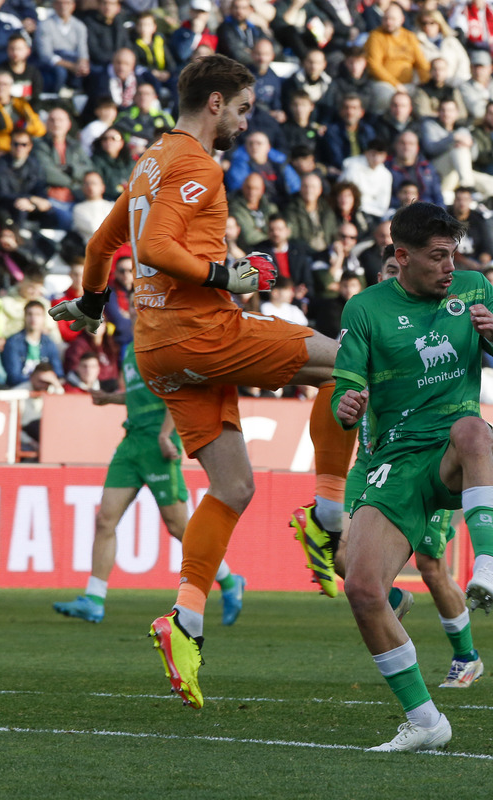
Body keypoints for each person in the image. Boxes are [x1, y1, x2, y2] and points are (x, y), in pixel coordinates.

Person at [53, 55, 358, 710]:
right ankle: (329, 516)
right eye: (244, 109)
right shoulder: (195, 163)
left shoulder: (149, 162)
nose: (248, 122)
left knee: (232, 486)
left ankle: (184, 619)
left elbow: (104, 243)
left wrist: (89, 304)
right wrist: (230, 276)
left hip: (158, 349)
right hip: (203, 331)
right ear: (215, 103)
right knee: (354, 363)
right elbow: (159, 247)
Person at [331, 202, 493, 751]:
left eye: (454, 254)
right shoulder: (365, 309)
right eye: (438, 256)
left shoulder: (473, 289)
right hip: (393, 464)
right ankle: (425, 721)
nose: (450, 266)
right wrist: (345, 406)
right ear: (401, 257)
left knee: (474, 429)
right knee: (361, 586)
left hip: (450, 453)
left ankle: (487, 566)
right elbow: (342, 388)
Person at [54, 343, 244, 625]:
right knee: (105, 520)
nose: (135, 306)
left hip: (159, 444)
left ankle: (229, 581)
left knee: (180, 528)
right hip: (131, 443)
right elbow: (141, 396)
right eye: (132, 301)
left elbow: (178, 393)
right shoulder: (129, 349)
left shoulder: (161, 342)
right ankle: (93, 599)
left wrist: (167, 435)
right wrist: (110, 398)